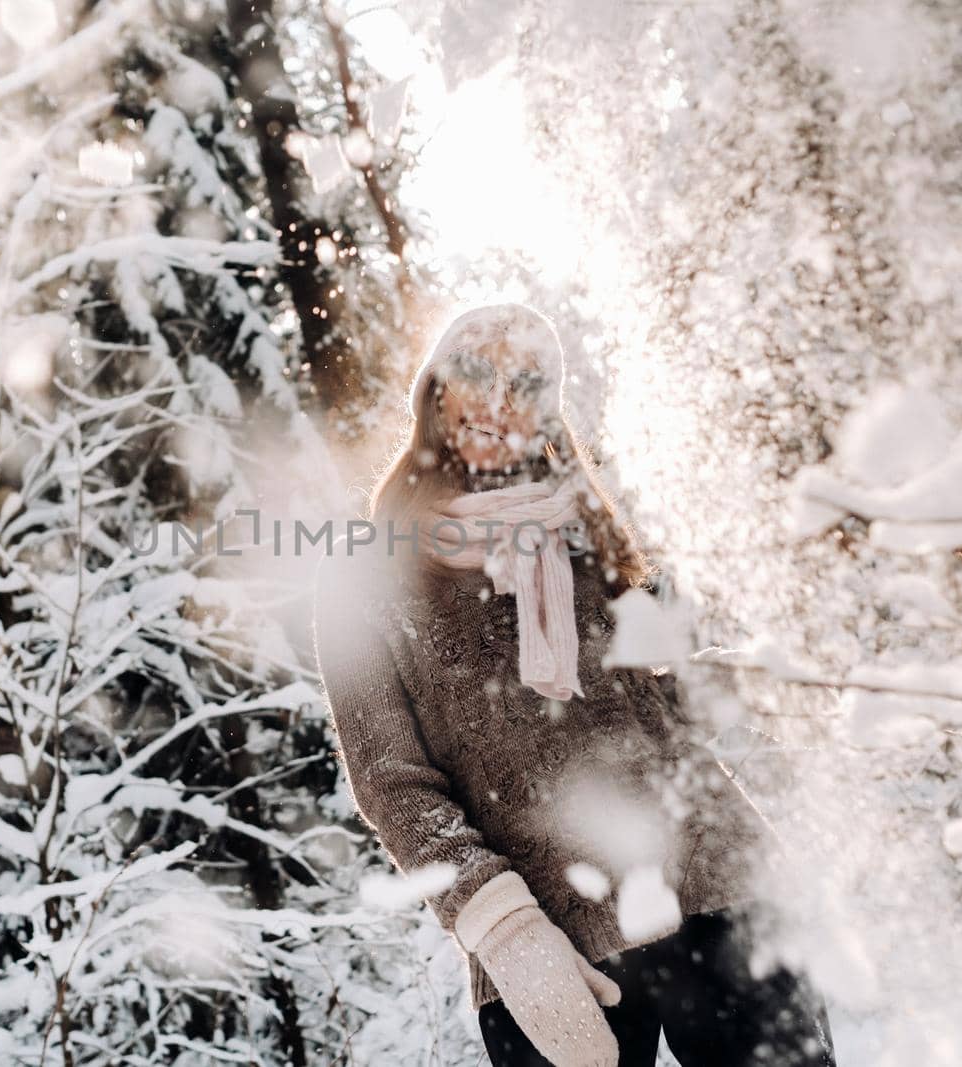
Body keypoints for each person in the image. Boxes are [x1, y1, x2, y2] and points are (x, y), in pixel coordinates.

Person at [310, 302, 838, 1067]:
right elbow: (394, 785)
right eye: (478, 373)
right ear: (434, 392)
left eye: (527, 381)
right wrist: (510, 937)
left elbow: (655, 707)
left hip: (715, 888)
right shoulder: (367, 570)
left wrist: (756, 681)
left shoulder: (585, 534)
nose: (499, 399)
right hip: (554, 934)